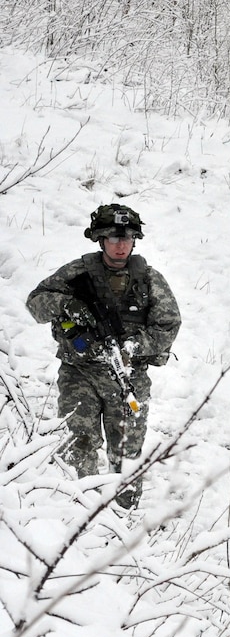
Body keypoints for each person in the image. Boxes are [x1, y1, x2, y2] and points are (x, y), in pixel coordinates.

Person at [26, 204, 181, 508]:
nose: (120, 245)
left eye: (126, 238)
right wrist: (67, 307)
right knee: (78, 443)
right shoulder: (77, 273)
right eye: (113, 238)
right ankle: (76, 515)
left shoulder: (148, 279)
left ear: (135, 240)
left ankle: (122, 520)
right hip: (79, 372)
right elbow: (36, 304)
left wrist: (134, 346)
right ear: (100, 239)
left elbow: (168, 325)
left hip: (128, 376)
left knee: (127, 452)